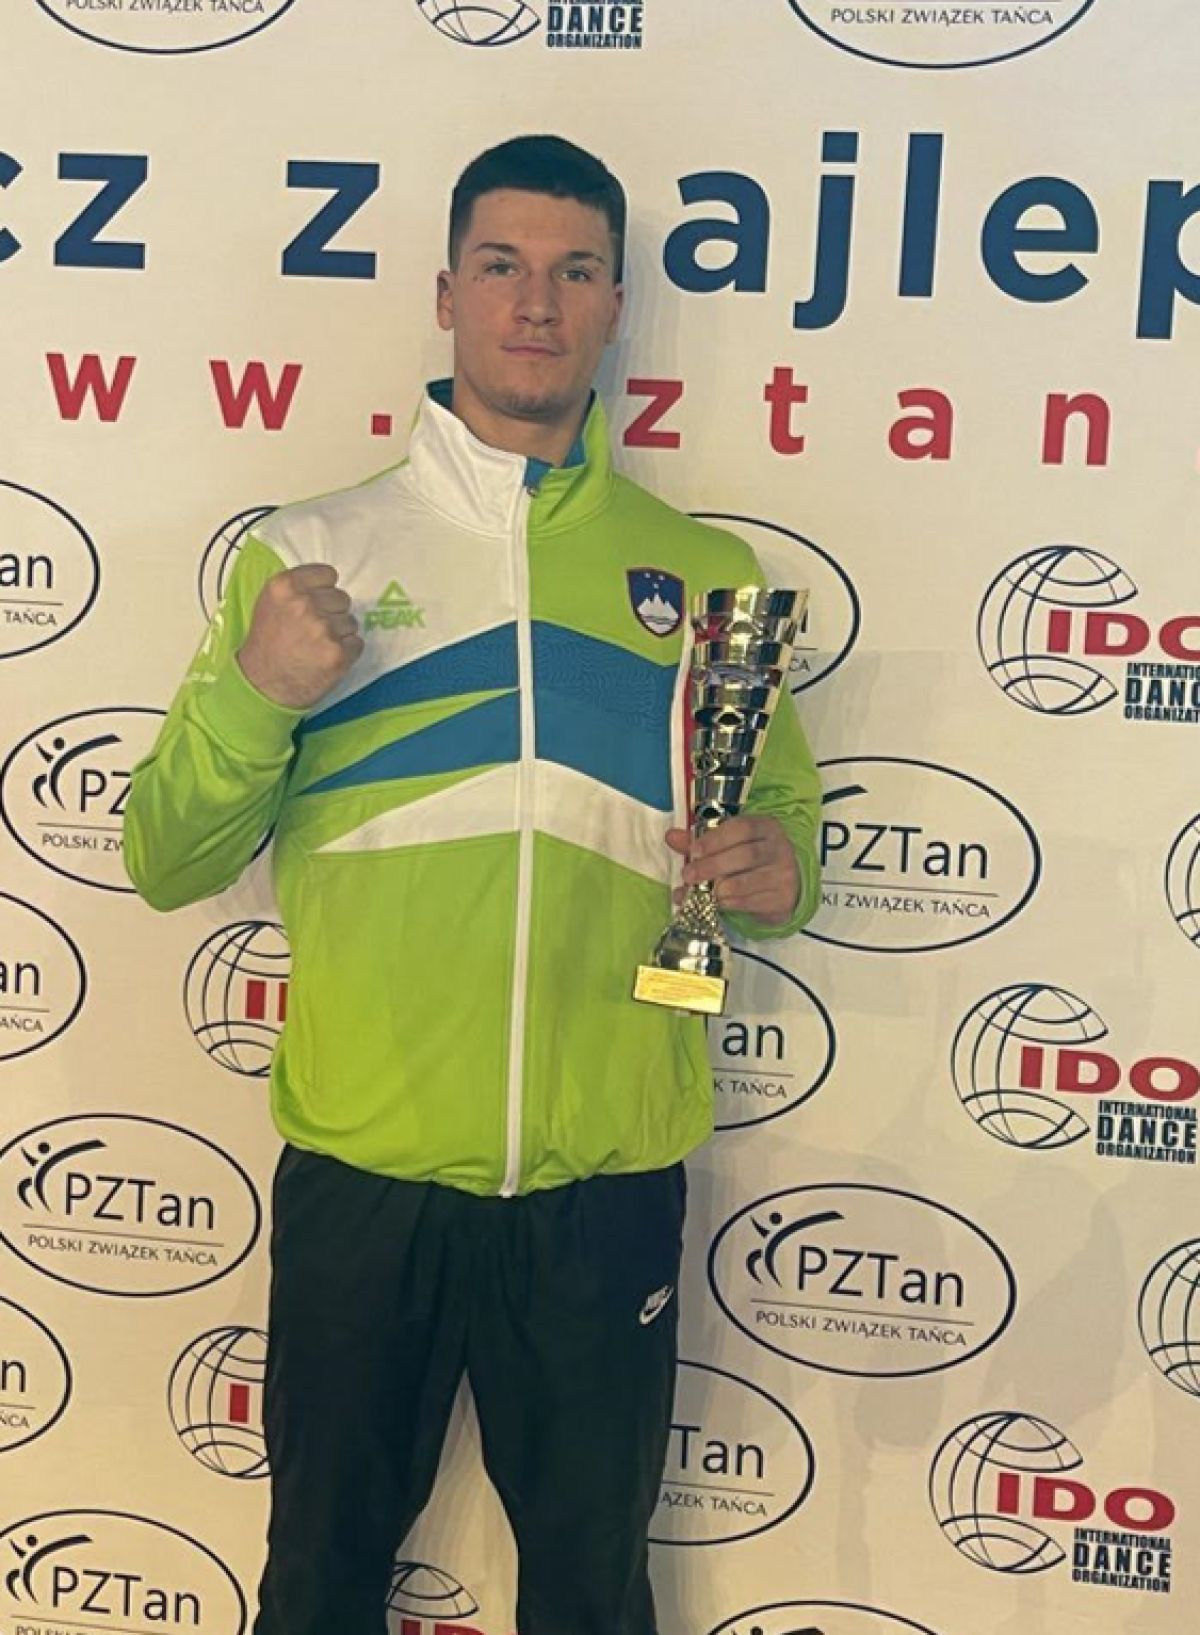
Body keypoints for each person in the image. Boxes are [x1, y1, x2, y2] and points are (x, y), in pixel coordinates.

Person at [124, 133, 822, 1635]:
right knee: (317, 1585)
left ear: (617, 304)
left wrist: (778, 867)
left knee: (590, 1598)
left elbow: (776, 823)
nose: (536, 302)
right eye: (501, 265)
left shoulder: (701, 577)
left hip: (603, 1191)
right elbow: (168, 856)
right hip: (366, 1181)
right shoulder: (310, 553)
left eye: (575, 271)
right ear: (446, 294)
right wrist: (257, 690)